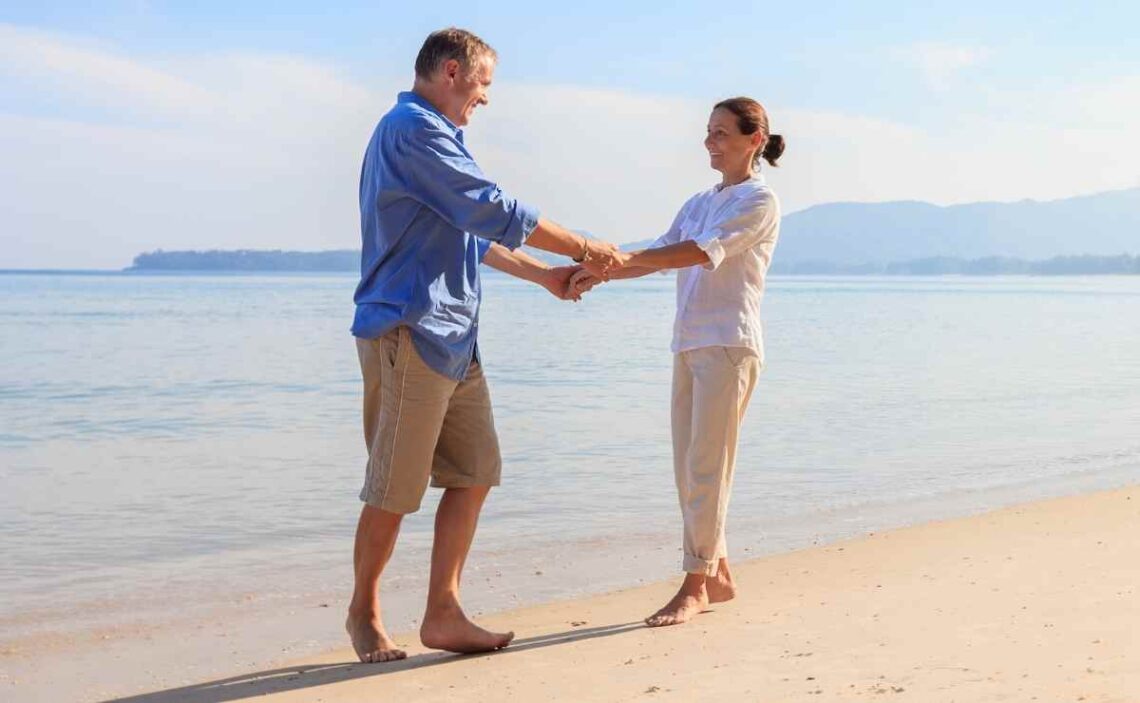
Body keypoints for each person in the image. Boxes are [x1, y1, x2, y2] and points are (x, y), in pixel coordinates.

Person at [347, 27, 626, 663]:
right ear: (451, 71)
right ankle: (363, 613)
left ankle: (442, 612)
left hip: (455, 336)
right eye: (484, 83)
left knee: (475, 474)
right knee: (392, 488)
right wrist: (583, 247)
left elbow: (474, 233)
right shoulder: (412, 130)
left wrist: (546, 278)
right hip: (410, 328)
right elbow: (494, 208)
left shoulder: (443, 138)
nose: (486, 98)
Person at [573, 97, 784, 627]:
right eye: (708, 131)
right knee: (688, 471)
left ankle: (694, 586)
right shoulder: (697, 201)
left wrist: (619, 260)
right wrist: (594, 272)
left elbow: (696, 253)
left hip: (729, 346)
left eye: (721, 133)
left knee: (708, 468)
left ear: (753, 139)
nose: (709, 141)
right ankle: (719, 573)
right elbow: (659, 252)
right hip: (689, 344)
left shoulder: (759, 201)